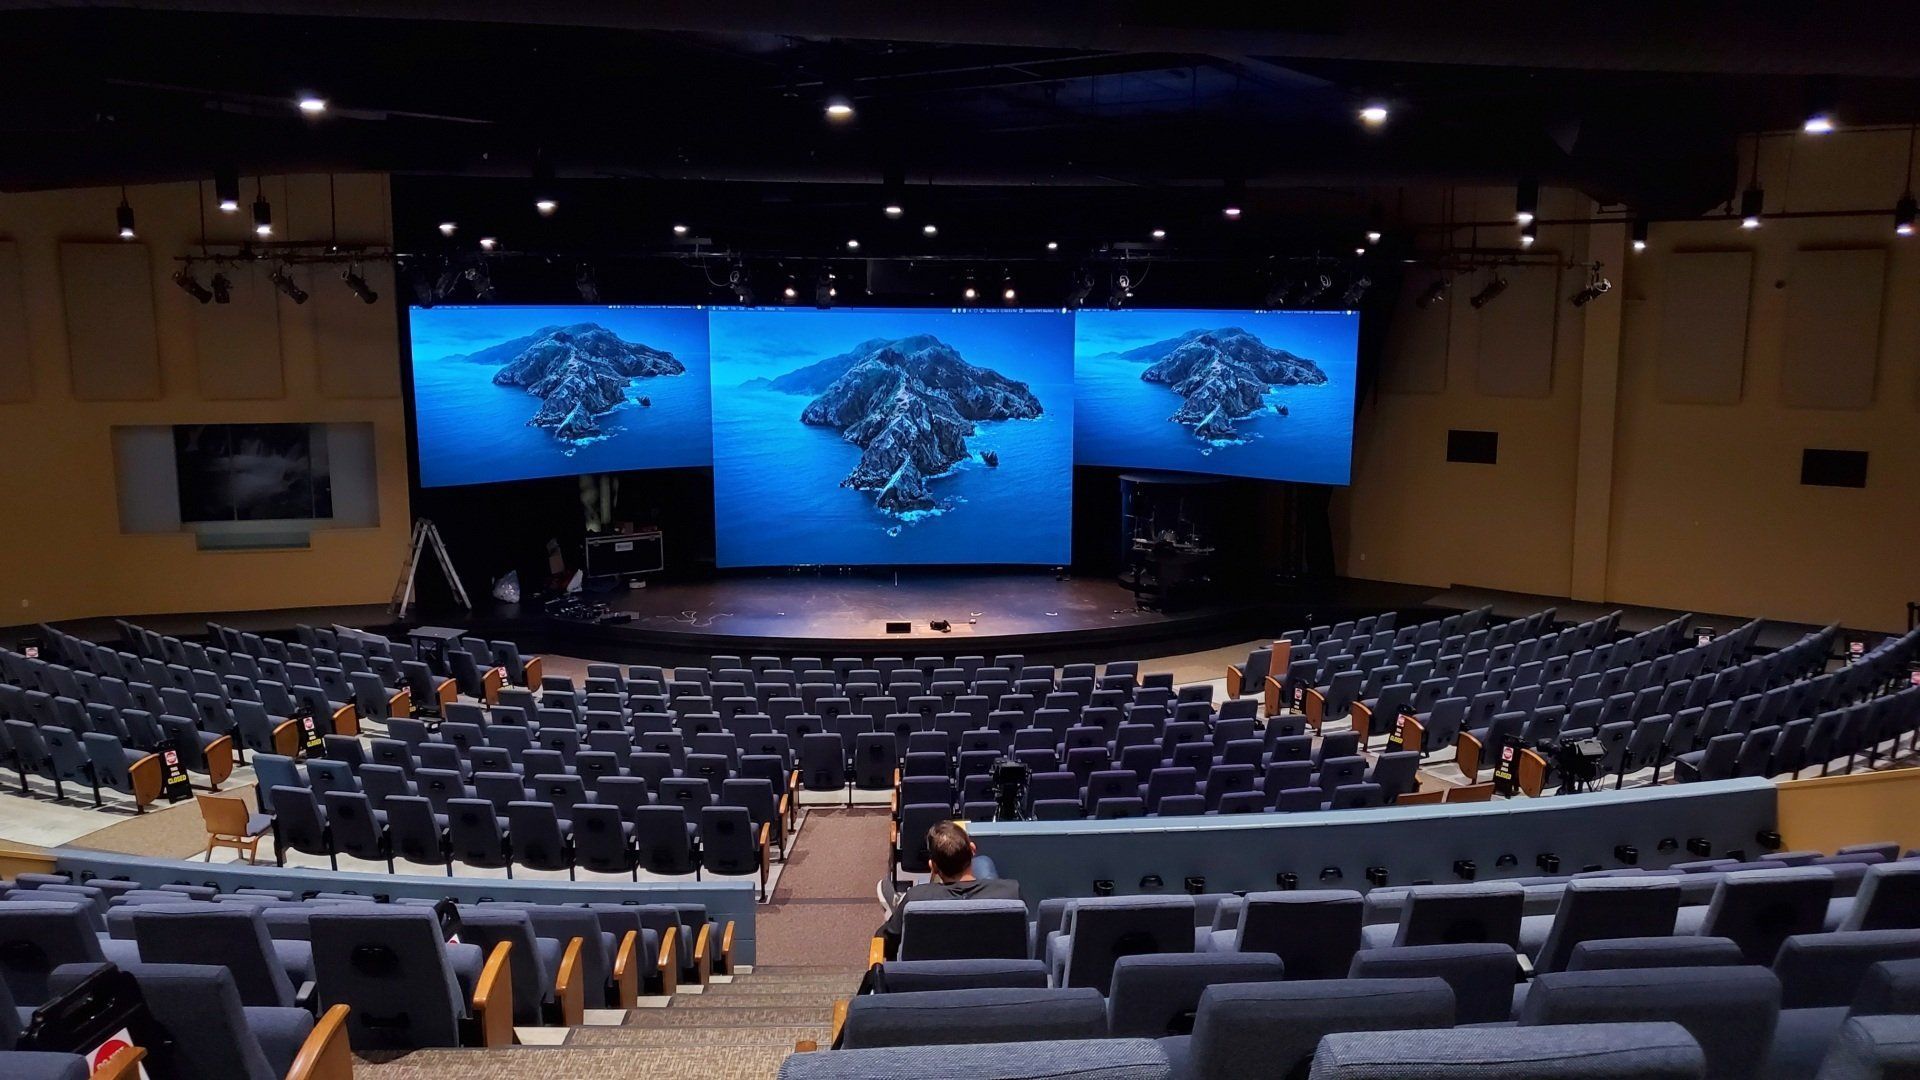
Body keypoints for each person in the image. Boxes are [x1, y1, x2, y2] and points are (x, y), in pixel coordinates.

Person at [877, 820, 1023, 960]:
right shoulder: (1010, 894)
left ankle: (897, 910)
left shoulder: (916, 900)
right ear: (972, 849)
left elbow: (885, 941)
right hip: (999, 982)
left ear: (933, 867)